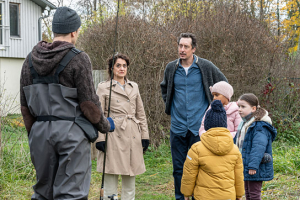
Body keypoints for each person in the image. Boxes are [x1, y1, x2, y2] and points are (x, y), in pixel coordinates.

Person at [20, 7, 114, 200]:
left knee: (42, 193)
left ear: (55, 31)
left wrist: (36, 134)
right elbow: (89, 104)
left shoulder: (29, 61)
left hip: (40, 134)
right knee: (71, 194)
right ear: (74, 32)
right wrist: (104, 125)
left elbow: (25, 108)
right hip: (71, 135)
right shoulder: (79, 58)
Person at [160, 32, 228, 200]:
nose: (182, 50)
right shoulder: (171, 68)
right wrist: (170, 106)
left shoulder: (205, 66)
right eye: (180, 46)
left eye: (186, 47)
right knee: (178, 168)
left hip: (200, 128)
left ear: (193, 49)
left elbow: (224, 85)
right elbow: (164, 88)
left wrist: (215, 107)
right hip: (177, 127)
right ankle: (180, 197)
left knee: (200, 167)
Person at [95, 53, 149, 200]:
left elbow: (140, 113)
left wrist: (145, 136)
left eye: (124, 66)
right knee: (110, 181)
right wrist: (99, 139)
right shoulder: (103, 88)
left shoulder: (134, 87)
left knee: (130, 181)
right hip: (112, 136)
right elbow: (98, 115)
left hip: (132, 135)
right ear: (112, 68)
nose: (121, 68)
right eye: (118, 65)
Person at [181, 100, 244, 200]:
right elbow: (239, 175)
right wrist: (239, 195)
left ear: (206, 125)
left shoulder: (196, 149)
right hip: (228, 196)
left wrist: (186, 193)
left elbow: (189, 174)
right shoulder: (235, 150)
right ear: (224, 125)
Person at [234, 93, 277, 200]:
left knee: (254, 195)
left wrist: (253, 166)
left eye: (243, 107)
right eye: (239, 106)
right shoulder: (244, 123)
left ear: (253, 108)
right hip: (246, 164)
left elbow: (259, 147)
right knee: (248, 193)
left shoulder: (259, 125)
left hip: (255, 166)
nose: (239, 109)